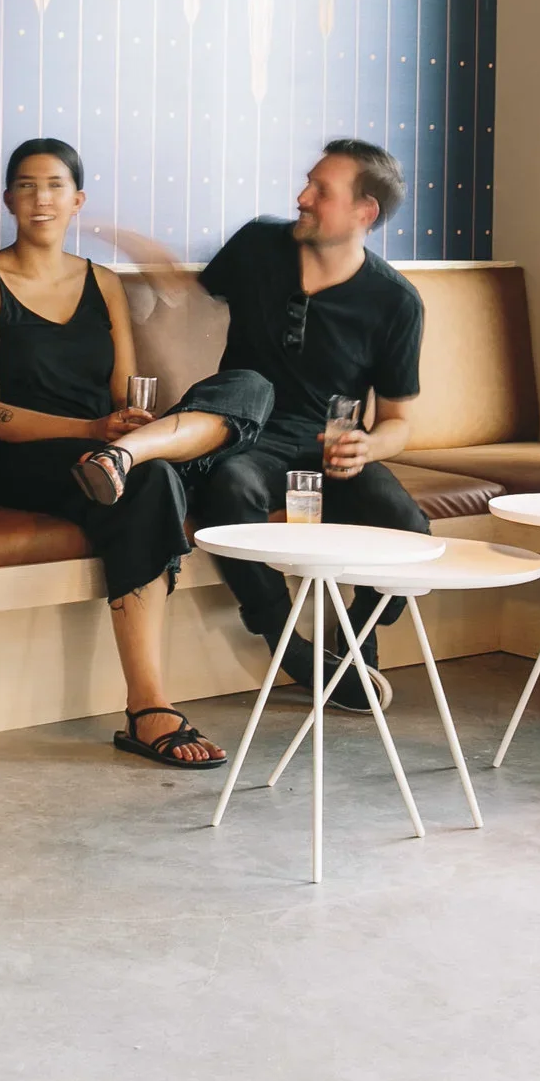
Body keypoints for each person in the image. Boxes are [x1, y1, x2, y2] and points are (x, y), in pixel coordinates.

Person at [0, 139, 272, 769]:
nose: (39, 198)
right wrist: (93, 427)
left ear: (77, 201)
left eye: (53, 186)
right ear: (7, 200)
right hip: (26, 455)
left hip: (108, 448)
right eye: (25, 185)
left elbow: (127, 390)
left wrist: (125, 426)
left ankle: (128, 457)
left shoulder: (102, 282)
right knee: (152, 480)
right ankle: (149, 705)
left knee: (252, 387)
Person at [114, 140, 430, 699]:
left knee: (410, 530)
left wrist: (368, 448)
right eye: (307, 183)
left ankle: (355, 635)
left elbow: (400, 419)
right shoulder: (259, 244)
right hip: (246, 437)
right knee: (231, 488)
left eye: (321, 192)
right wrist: (128, 246)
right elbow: (186, 301)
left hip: (329, 451)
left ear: (365, 212)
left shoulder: (396, 302)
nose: (302, 197)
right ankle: (290, 645)